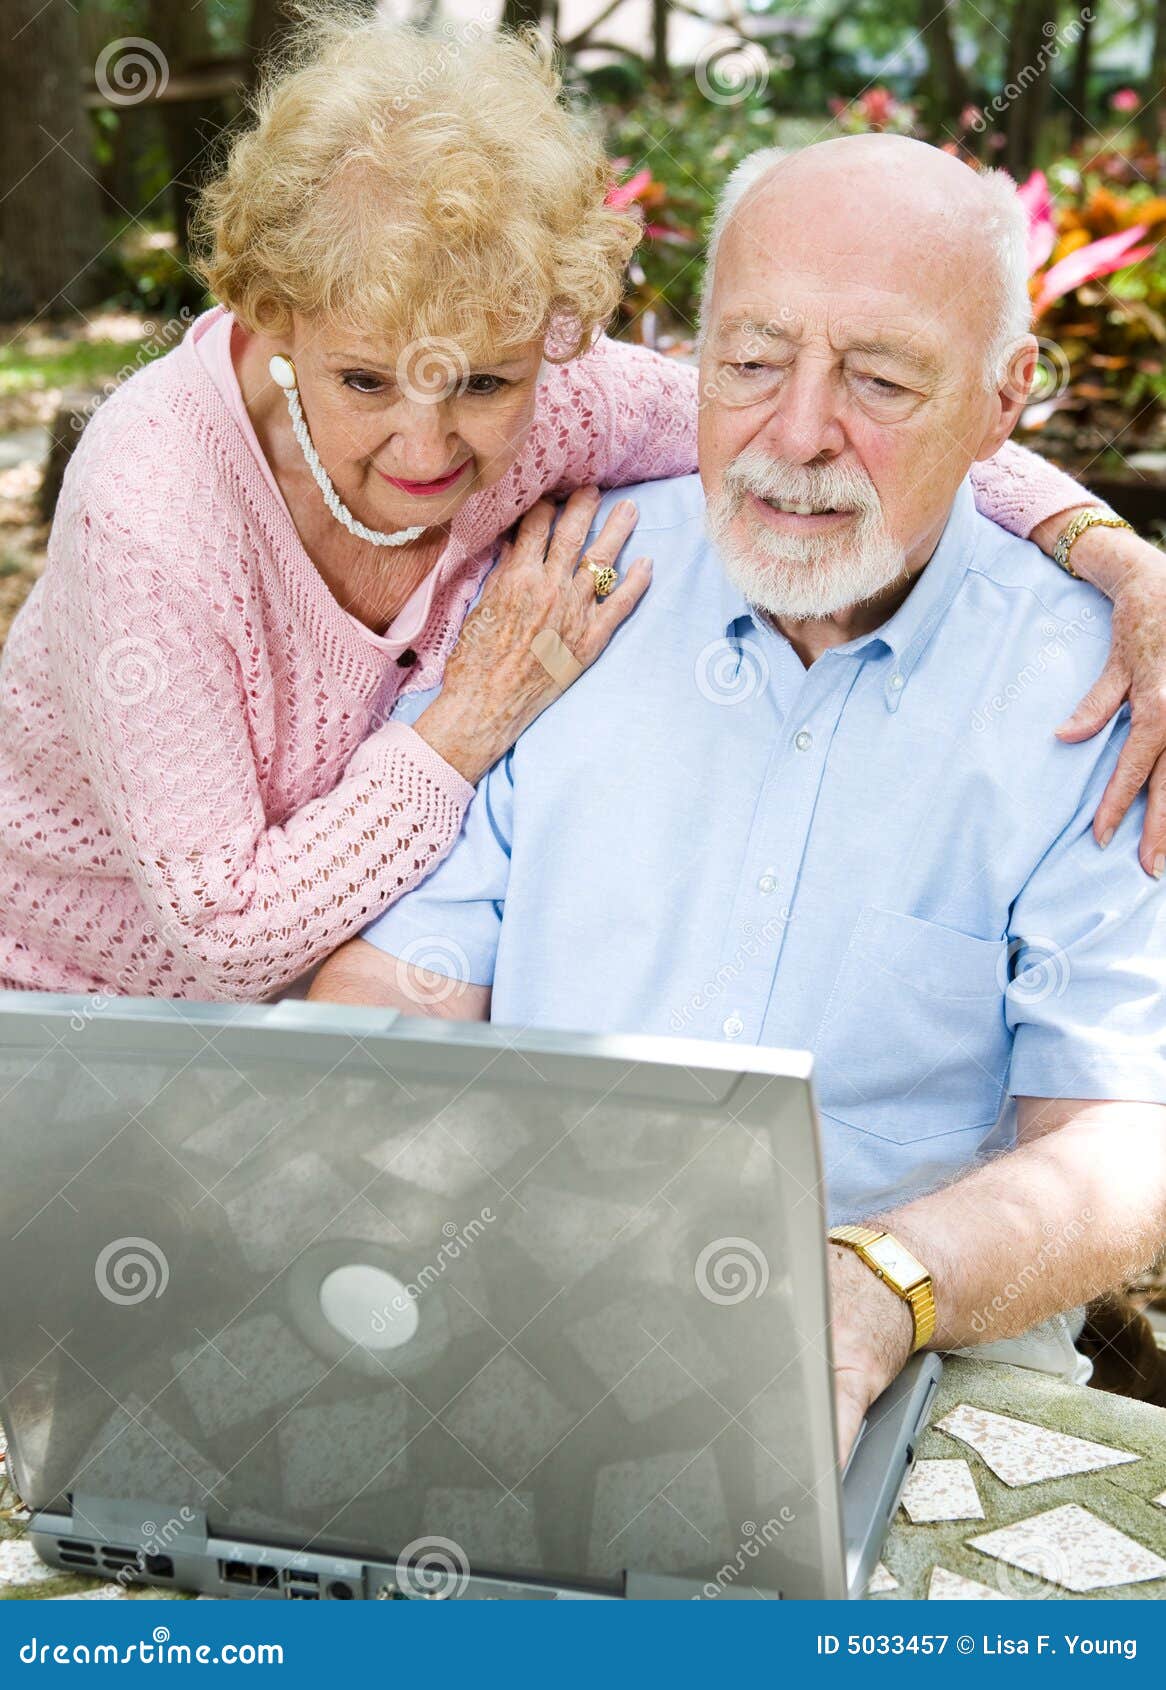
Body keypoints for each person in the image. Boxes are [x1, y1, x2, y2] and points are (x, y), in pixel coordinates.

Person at [0, 16, 1162, 1003]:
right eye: (364, 382)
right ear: (272, 315)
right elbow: (225, 937)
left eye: (486, 385)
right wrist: (470, 719)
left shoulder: (556, 401)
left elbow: (840, 439)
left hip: (329, 1010)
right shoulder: (154, 501)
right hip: (71, 1017)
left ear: (548, 341)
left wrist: (1115, 561)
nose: (426, 446)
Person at [310, 136, 1166, 1457]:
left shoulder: (1097, 688)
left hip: (923, 1382)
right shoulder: (565, 579)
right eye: (750, 363)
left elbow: (1119, 1144)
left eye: (878, 378)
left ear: (1005, 403)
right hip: (512, 1329)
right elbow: (401, 985)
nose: (799, 431)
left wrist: (882, 1283)